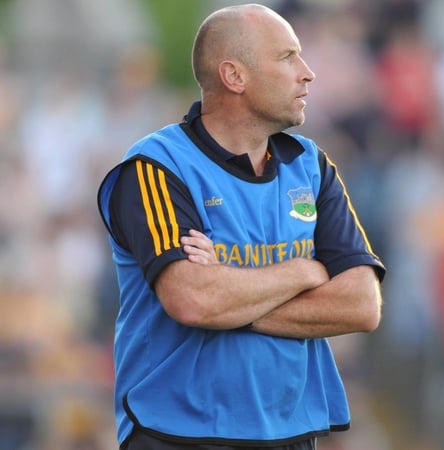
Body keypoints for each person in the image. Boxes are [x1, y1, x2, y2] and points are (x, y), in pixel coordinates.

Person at [96, 4, 386, 449]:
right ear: (235, 76)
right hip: (176, 434)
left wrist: (230, 301)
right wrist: (304, 272)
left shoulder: (311, 165)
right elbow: (193, 300)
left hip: (290, 431)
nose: (307, 73)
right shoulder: (154, 167)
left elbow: (361, 304)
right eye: (287, 57)